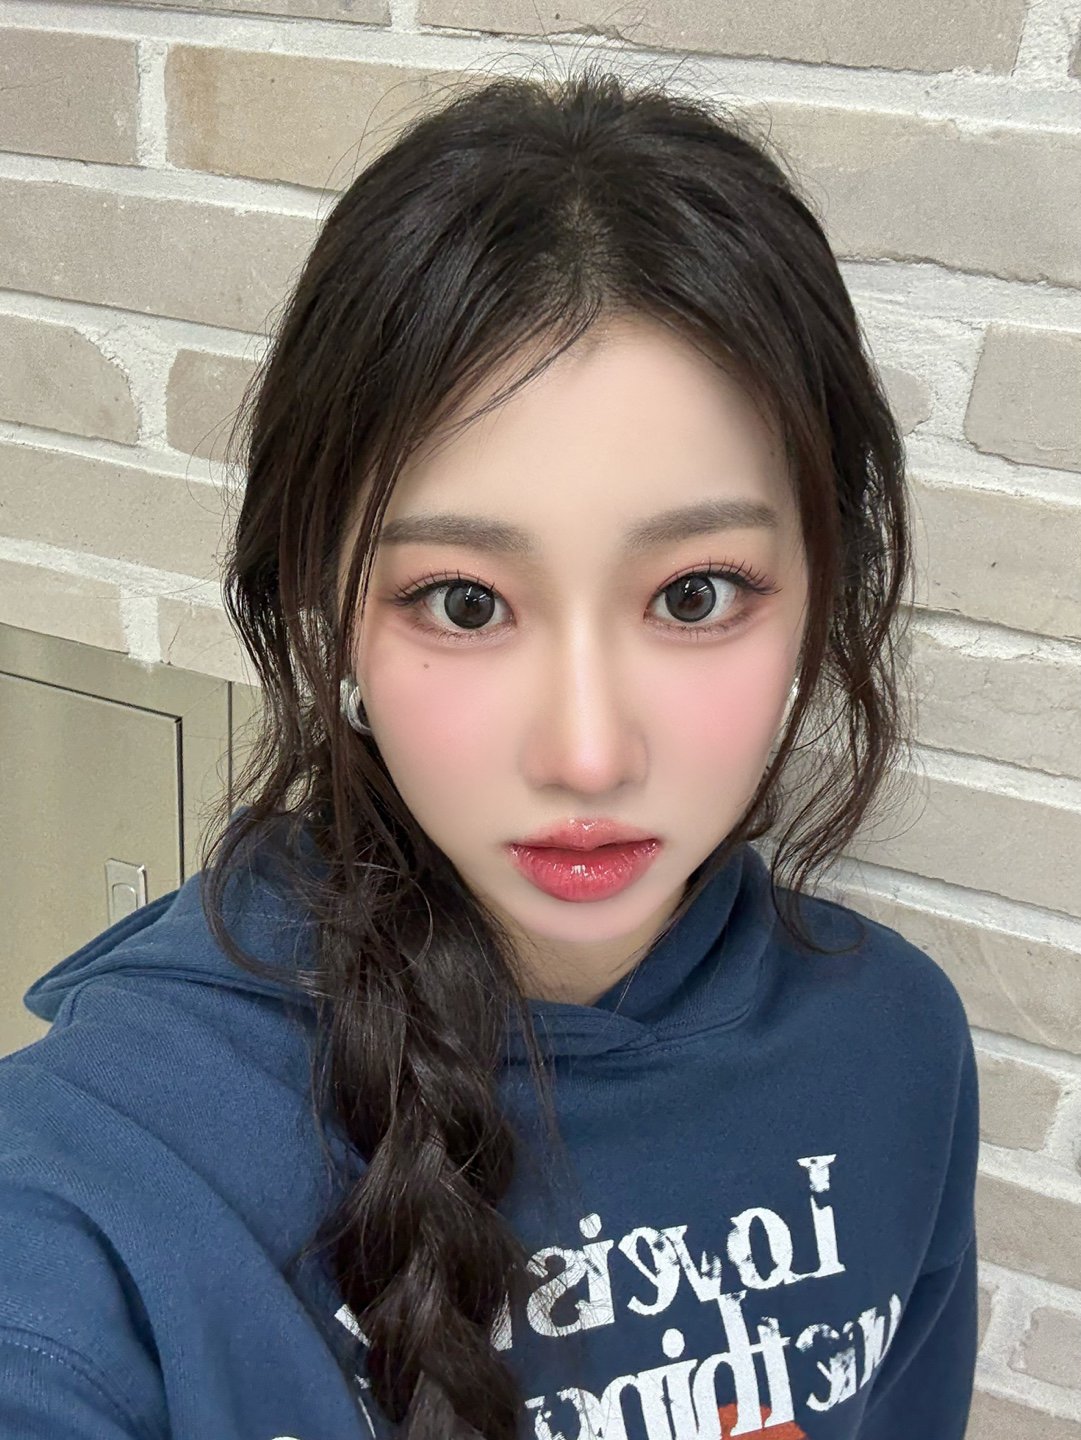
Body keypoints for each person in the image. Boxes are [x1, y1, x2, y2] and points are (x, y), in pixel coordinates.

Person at [0, 63, 979, 1440]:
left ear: (821, 592)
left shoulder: (894, 1048)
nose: (586, 754)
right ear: (329, 608)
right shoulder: (111, 1176)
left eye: (695, 594)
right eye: (463, 603)